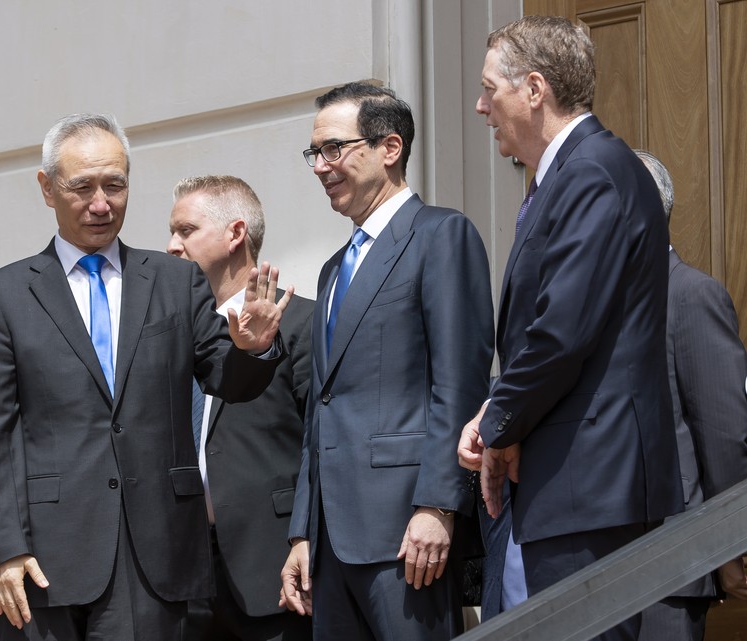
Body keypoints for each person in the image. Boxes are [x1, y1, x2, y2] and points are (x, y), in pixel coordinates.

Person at [0, 113, 292, 640]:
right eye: (83, 187)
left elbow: (227, 380)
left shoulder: (175, 281)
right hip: (42, 563)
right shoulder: (3, 296)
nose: (102, 203)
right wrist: (5, 549)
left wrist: (254, 351)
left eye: (115, 185)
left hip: (154, 559)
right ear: (47, 189)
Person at [458, 16, 683, 640]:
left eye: (488, 89)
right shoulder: (566, 174)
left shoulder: (592, 171)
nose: (480, 107)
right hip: (568, 482)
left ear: (534, 89)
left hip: (589, 481)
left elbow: (560, 332)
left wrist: (495, 423)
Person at [279, 81, 495, 640]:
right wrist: (303, 531)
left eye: (334, 149)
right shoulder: (332, 271)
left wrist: (439, 505)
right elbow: (318, 414)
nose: (321, 166)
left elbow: (460, 385)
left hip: (407, 532)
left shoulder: (441, 236)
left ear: (389, 148)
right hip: (332, 541)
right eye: (314, 154)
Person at [167, 175, 314, 641]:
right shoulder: (170, 337)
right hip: (187, 581)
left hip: (275, 571)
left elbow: (324, 442)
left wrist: (307, 536)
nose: (171, 246)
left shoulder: (302, 325)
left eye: (186, 231)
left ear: (234, 234)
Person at [633, 150, 747, 640]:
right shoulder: (598, 304)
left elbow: (725, 435)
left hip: (672, 566)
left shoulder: (691, 295)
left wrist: (729, 544)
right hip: (600, 568)